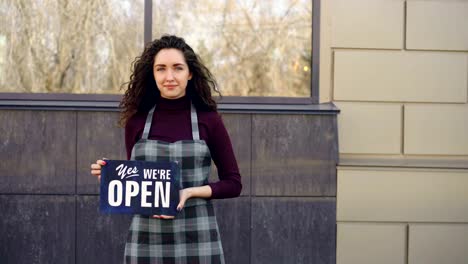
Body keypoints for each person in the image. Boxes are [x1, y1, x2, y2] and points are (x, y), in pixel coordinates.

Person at [90, 35, 242, 263]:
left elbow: (233, 183)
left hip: (197, 237)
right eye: (161, 69)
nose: (169, 77)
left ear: (189, 73)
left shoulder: (209, 120)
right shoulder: (137, 121)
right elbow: (138, 184)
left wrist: (190, 192)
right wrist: (112, 175)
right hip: (146, 238)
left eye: (177, 68)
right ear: (152, 74)